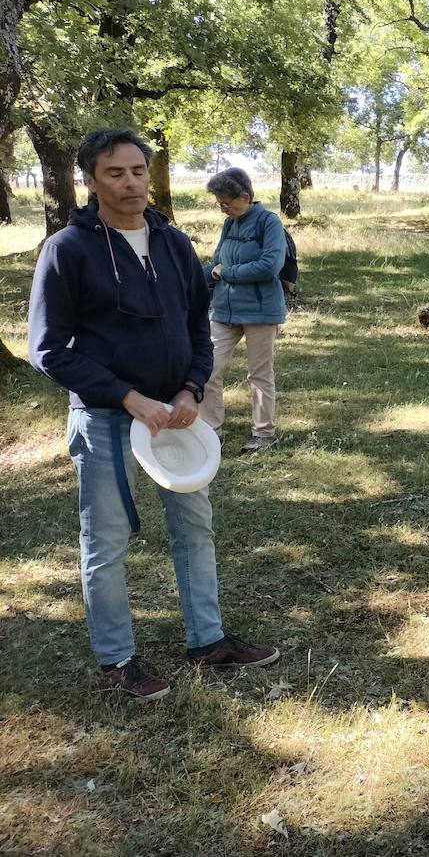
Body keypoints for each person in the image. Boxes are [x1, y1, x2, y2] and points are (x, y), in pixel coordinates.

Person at [27, 127, 279, 700]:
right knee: (107, 541)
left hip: (177, 415)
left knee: (195, 529)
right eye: (115, 173)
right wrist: (125, 396)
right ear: (89, 180)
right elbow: (48, 348)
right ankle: (118, 660)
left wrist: (192, 388)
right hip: (108, 418)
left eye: (138, 170)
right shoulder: (68, 249)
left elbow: (198, 320)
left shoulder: (172, 242)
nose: (131, 182)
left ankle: (208, 641)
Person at [201, 167, 288, 453]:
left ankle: (264, 435)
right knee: (207, 369)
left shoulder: (269, 222)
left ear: (246, 197)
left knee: (259, 374)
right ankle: (210, 432)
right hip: (224, 310)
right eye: (219, 203)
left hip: (261, 312)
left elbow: (270, 266)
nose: (223, 208)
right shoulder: (230, 224)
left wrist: (227, 273)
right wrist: (203, 275)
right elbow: (217, 261)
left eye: (227, 202)